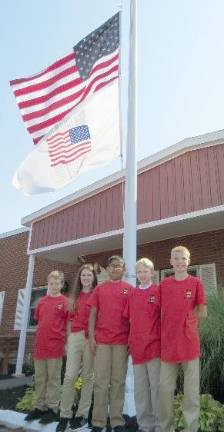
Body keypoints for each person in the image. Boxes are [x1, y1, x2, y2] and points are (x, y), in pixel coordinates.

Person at [159, 246, 207, 432]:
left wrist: (188, 321)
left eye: (183, 259)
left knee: (191, 394)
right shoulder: (164, 285)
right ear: (171, 261)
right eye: (176, 259)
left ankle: (190, 428)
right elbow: (157, 312)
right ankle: (165, 428)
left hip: (189, 345)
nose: (179, 262)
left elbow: (202, 311)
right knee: (164, 391)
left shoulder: (196, 283)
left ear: (189, 261)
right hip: (168, 345)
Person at [88, 255, 133, 432]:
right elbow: (92, 314)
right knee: (100, 382)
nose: (116, 268)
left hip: (122, 342)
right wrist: (91, 337)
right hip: (102, 342)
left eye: (120, 266)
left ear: (124, 270)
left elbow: (132, 318)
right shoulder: (99, 289)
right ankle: (98, 422)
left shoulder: (129, 289)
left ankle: (116, 420)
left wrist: (131, 339)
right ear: (108, 268)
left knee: (118, 382)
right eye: (113, 266)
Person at [56, 264, 98, 432]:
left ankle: (82, 414)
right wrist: (67, 341)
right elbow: (69, 321)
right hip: (75, 336)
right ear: (80, 278)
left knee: (88, 376)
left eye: (89, 275)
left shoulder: (98, 294)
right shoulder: (74, 296)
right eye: (83, 275)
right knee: (69, 376)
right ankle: (64, 414)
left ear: (93, 278)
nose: (86, 278)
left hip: (91, 338)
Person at [25, 270, 68, 424]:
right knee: (40, 379)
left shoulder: (65, 302)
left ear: (61, 285)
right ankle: (39, 407)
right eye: (51, 283)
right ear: (48, 284)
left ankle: (52, 409)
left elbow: (68, 325)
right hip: (40, 347)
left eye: (57, 283)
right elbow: (39, 322)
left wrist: (66, 344)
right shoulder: (41, 302)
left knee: (54, 379)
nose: (54, 286)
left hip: (55, 346)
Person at [124, 258, 161, 432]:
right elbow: (128, 321)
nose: (142, 275)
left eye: (145, 271)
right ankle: (145, 426)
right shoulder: (132, 294)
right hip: (137, 349)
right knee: (141, 391)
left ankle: (160, 425)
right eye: (139, 272)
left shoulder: (158, 291)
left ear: (152, 273)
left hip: (154, 348)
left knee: (157, 389)